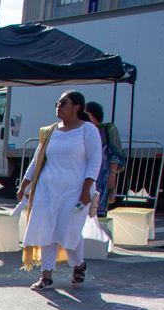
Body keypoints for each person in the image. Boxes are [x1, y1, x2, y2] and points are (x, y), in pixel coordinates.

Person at [16, 91, 102, 291]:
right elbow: (37, 161)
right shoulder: (51, 131)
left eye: (64, 103)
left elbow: (95, 160)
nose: (59, 106)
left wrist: (87, 188)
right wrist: (24, 185)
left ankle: (78, 264)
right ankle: (46, 276)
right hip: (47, 189)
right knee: (47, 230)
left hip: (75, 191)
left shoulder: (88, 130)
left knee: (68, 231)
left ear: (76, 107)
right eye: (58, 103)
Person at [84, 101, 125, 217]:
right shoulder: (85, 130)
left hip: (102, 176)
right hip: (86, 174)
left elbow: (115, 154)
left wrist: (112, 174)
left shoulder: (108, 129)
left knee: (98, 206)